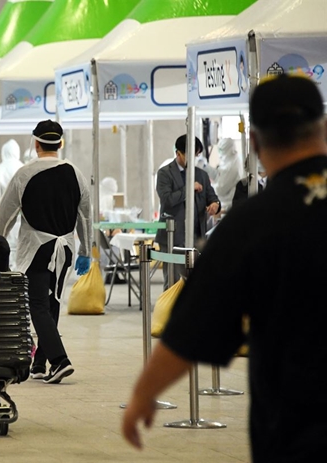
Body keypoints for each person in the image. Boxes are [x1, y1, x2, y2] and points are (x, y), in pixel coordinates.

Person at [122, 74, 327, 462]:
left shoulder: (254, 223)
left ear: (254, 142)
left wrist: (143, 395)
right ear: (324, 127)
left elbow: (193, 326)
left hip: (298, 429)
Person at [0, 120, 92, 384]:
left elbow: (6, 215)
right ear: (60, 144)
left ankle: (60, 361)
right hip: (66, 249)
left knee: (37, 304)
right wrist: (86, 248)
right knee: (53, 302)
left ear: (36, 143)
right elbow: (85, 216)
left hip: (37, 248)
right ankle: (39, 363)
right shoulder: (75, 172)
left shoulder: (24, 173)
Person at [155, 134, 220, 288]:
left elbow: (212, 197)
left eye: (197, 155)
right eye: (191, 155)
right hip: (173, 235)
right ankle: (170, 311)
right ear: (178, 153)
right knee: (173, 282)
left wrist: (215, 204)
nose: (194, 159)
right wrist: (188, 188)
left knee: (197, 282)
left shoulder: (202, 175)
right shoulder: (164, 173)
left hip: (197, 235)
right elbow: (167, 200)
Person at [212, 138, 244, 211]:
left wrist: (209, 187)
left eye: (221, 150)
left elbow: (220, 189)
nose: (220, 154)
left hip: (228, 204)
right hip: (227, 202)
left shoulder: (232, 166)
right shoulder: (232, 161)